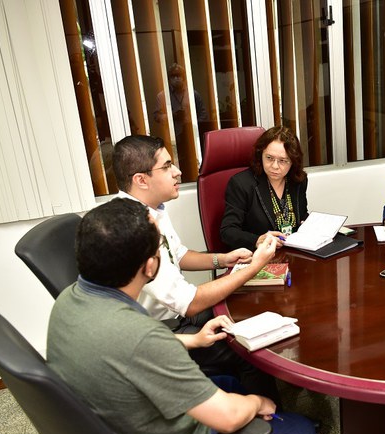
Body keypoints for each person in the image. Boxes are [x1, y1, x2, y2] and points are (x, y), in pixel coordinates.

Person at [47, 199, 325, 434]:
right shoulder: (141, 336)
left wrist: (191, 340)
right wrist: (258, 402)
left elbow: (120, 350)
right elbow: (228, 418)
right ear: (150, 267)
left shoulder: (69, 301)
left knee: (230, 385)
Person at [112, 134, 282, 404]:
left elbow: (178, 254)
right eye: (167, 166)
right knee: (247, 348)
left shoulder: (149, 209)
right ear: (141, 180)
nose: (178, 172)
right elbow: (189, 303)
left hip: (175, 312)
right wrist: (254, 266)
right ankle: (271, 418)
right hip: (162, 331)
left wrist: (223, 259)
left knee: (245, 305)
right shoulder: (134, 227)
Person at [221, 126, 309, 250]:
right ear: (260, 155)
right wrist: (257, 240)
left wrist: (308, 224)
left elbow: (301, 214)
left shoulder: (298, 181)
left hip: (294, 251)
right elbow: (227, 231)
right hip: (258, 254)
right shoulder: (241, 184)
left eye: (283, 161)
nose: (275, 166)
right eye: (269, 158)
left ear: (293, 161)